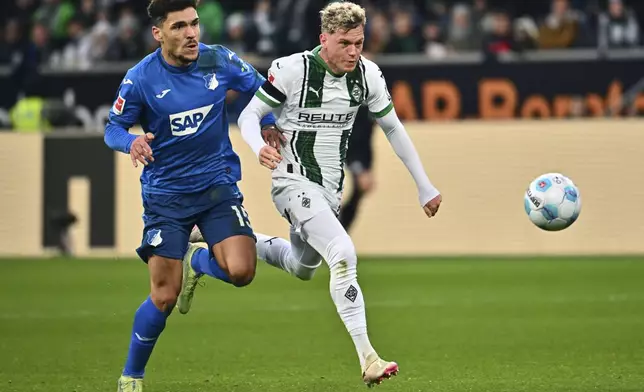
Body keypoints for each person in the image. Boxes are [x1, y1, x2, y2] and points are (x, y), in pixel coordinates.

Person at [226, 1, 441, 387]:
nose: (353, 51)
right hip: (291, 182)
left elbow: (393, 128)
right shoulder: (292, 70)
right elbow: (248, 115)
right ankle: (368, 358)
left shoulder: (368, 75)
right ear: (324, 39)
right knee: (343, 252)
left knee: (302, 266)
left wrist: (423, 184)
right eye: (345, 43)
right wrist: (259, 147)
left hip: (329, 191)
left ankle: (225, 234)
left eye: (359, 42)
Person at [103, 1, 278, 391]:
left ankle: (199, 261)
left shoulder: (219, 60)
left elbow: (261, 90)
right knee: (164, 297)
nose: (191, 33)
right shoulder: (140, 79)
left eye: (195, 24)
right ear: (158, 33)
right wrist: (130, 141)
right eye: (179, 26)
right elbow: (112, 129)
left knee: (242, 272)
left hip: (217, 187)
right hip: (166, 197)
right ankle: (132, 376)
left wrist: (266, 121)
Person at [338, 104, 376, 232]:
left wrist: (367, 166)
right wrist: (359, 167)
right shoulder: (354, 103)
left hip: (356, 156)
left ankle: (338, 234)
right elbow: (353, 136)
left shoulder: (370, 104)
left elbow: (366, 138)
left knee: (357, 193)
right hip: (339, 153)